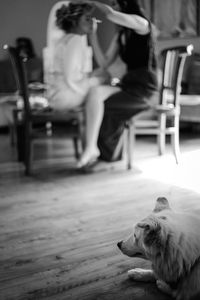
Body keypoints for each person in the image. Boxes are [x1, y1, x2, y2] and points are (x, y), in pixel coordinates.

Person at [77, 0, 158, 168]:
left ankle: (108, 157)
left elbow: (110, 15)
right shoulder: (121, 36)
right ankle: (92, 148)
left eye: (115, 3)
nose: (113, 7)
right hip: (129, 84)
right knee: (95, 94)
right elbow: (104, 63)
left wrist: (91, 2)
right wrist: (93, 35)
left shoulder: (142, 24)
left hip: (145, 89)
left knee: (104, 105)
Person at [48, 1, 105, 111]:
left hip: (57, 96)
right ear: (75, 22)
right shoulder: (75, 40)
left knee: (99, 80)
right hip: (65, 97)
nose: (92, 23)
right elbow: (70, 79)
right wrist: (91, 84)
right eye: (87, 19)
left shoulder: (65, 39)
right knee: (101, 91)